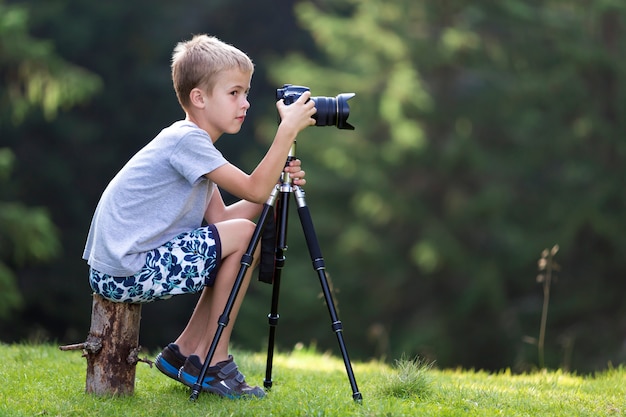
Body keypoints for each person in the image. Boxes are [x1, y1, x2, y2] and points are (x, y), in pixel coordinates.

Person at [82, 34, 316, 399]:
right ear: (199, 98)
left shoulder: (195, 147)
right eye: (234, 93)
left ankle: (185, 351)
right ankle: (214, 360)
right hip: (126, 269)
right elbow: (251, 193)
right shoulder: (187, 141)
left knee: (238, 236)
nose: (246, 103)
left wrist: (277, 183)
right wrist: (286, 131)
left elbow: (221, 221)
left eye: (246, 93)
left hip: (121, 266)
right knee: (242, 234)